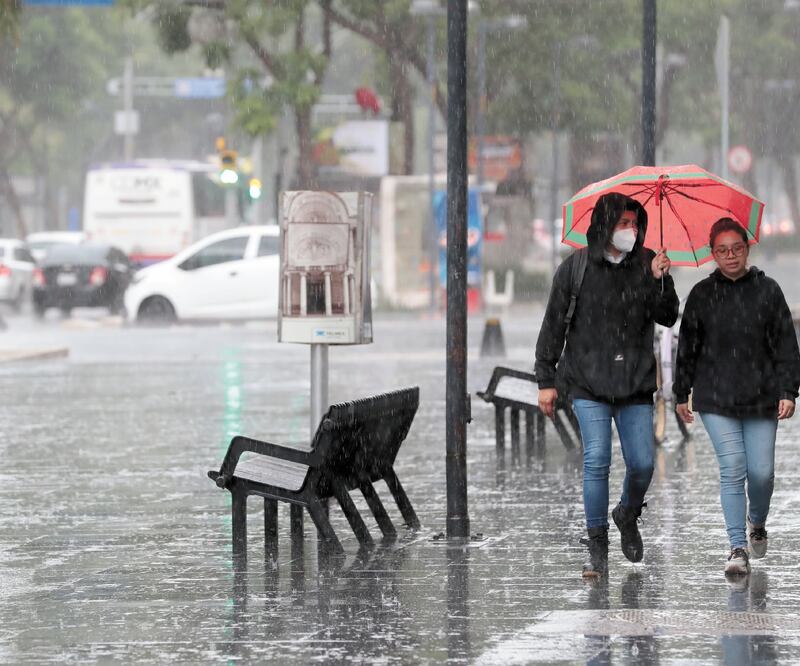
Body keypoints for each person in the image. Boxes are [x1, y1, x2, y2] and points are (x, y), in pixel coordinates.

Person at [535, 191, 679, 578]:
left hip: (634, 382)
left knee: (643, 464)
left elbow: (667, 316)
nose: (631, 231)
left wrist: (660, 281)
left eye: (635, 224)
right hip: (587, 382)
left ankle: (627, 513)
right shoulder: (575, 269)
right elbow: (552, 326)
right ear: (604, 225)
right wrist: (545, 379)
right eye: (623, 224)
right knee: (597, 460)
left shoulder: (649, 263)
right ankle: (596, 544)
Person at [674, 217, 800, 576]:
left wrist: (788, 390)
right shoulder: (701, 294)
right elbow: (687, 348)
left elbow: (787, 346)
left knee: (761, 474)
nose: (731, 256)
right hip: (715, 398)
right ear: (712, 253)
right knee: (733, 469)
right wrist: (681, 391)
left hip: (761, 396)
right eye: (722, 250)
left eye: (737, 248)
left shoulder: (768, 290)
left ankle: (756, 522)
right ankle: (736, 546)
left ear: (748, 249)